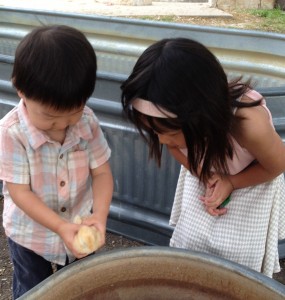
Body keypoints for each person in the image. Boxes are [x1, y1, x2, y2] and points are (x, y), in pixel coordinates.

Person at [121, 37, 285, 277]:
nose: (162, 141)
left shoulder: (249, 124)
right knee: (192, 242)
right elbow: (175, 147)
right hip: (204, 169)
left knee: (238, 259)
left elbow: (277, 165)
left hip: (253, 183)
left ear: (201, 116)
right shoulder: (170, 128)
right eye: (155, 132)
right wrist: (205, 174)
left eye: (170, 133)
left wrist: (231, 182)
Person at [0, 25, 113, 298]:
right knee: (33, 290)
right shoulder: (11, 133)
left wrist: (99, 215)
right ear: (20, 89)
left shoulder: (87, 121)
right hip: (30, 234)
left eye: (72, 113)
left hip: (81, 226)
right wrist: (61, 226)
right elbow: (19, 192)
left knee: (85, 287)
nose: (62, 124)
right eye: (50, 117)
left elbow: (102, 173)